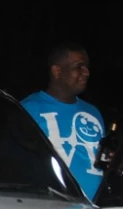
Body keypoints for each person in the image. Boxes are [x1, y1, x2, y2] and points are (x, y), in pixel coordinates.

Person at [21, 41, 105, 200]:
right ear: (57, 71)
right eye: (79, 67)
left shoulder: (93, 112)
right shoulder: (28, 109)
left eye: (87, 67)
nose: (86, 72)